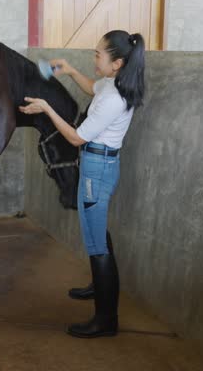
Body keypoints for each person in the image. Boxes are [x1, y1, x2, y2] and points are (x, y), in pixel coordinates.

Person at [19, 30, 146, 338]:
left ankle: (106, 320)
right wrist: (72, 71)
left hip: (97, 169)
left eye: (98, 55)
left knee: (96, 242)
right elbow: (93, 89)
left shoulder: (115, 99)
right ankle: (98, 288)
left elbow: (76, 137)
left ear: (116, 63)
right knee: (97, 232)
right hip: (98, 165)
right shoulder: (113, 85)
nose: (94, 59)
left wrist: (47, 108)